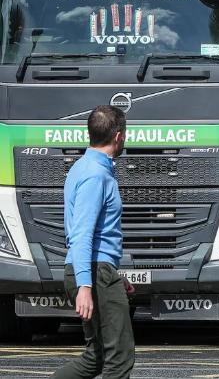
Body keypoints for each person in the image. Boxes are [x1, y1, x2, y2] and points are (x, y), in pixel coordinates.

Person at [53, 105, 134, 379]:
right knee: (119, 358)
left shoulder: (82, 167)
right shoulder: (96, 175)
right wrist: (86, 286)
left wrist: (111, 274)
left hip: (97, 270)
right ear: (118, 136)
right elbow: (82, 234)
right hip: (93, 273)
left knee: (96, 357)